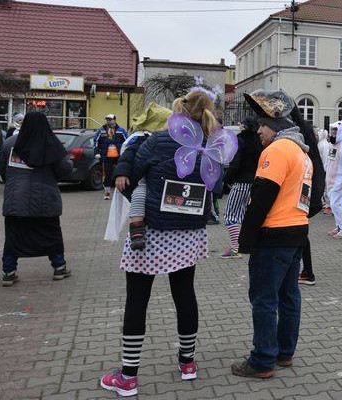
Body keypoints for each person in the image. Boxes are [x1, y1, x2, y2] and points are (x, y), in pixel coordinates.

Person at [100, 90, 232, 396]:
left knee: (137, 300)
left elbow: (131, 176)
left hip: (152, 235)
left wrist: (136, 199)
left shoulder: (159, 141)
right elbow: (218, 188)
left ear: (178, 112)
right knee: (185, 296)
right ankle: (187, 363)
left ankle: (128, 377)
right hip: (189, 234)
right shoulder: (211, 147)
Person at [232, 92, 313, 379]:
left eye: (262, 127)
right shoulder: (301, 153)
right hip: (296, 231)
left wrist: (246, 238)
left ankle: (263, 360)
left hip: (274, 232)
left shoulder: (277, 151)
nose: (259, 133)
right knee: (289, 294)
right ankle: (284, 352)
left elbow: (262, 195)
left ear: (274, 126)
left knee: (264, 298)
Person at [0, 112, 73, 286]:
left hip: (16, 201)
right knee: (51, 235)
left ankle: (9, 272)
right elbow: (64, 170)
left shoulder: (10, 144)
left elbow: (1, 170)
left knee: (14, 237)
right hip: (45, 202)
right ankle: (59, 267)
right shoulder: (52, 145)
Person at [114, 103, 173, 251]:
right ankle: (137, 228)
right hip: (143, 178)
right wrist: (121, 173)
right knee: (139, 194)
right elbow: (127, 156)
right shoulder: (142, 138)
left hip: (159, 178)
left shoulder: (164, 139)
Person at [288, 104, 326, 287]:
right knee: (300, 231)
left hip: (307, 190)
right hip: (312, 189)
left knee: (300, 231)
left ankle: (308, 272)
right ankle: (305, 270)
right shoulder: (309, 136)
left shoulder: (301, 140)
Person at [220, 117, 263, 259]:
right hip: (254, 183)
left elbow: (235, 163)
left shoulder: (239, 140)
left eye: (240, 123)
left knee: (231, 215)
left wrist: (226, 180)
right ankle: (248, 246)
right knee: (245, 215)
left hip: (241, 182)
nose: (238, 125)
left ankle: (236, 248)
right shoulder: (259, 140)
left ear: (244, 126)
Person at [94, 114, 128, 200]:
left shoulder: (121, 130)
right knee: (107, 174)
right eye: (107, 119)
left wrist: (126, 153)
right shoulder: (101, 131)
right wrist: (97, 152)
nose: (109, 121)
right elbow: (96, 142)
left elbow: (127, 141)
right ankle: (107, 193)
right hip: (107, 156)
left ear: (115, 120)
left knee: (119, 173)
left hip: (119, 157)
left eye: (111, 119)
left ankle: (121, 192)